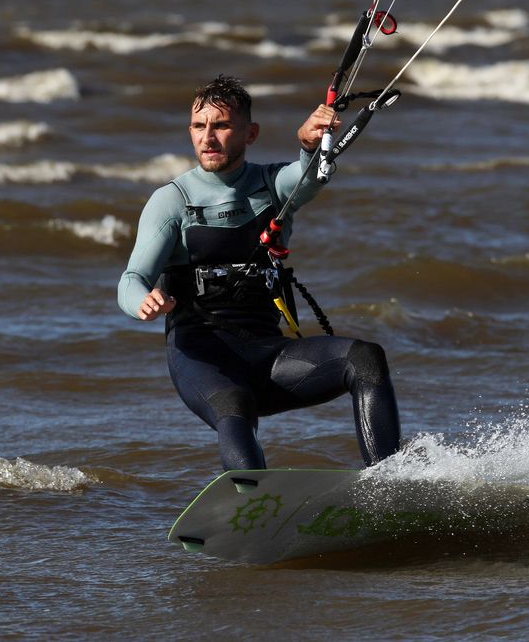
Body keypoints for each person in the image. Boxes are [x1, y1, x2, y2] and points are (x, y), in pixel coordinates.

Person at [118, 75, 401, 472]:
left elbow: (310, 175)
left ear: (250, 133)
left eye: (221, 125)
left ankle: (389, 482)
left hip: (270, 358)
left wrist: (308, 144)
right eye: (199, 127)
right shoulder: (172, 202)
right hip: (203, 360)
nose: (208, 137)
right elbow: (130, 281)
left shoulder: (271, 185)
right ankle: (253, 510)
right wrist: (143, 302)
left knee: (366, 359)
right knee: (235, 404)